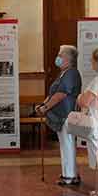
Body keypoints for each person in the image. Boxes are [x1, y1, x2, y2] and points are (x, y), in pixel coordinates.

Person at [36, 45, 82, 185]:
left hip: (66, 115)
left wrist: (46, 107)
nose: (58, 58)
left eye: (60, 55)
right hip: (61, 115)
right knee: (66, 144)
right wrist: (43, 105)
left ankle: (69, 176)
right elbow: (53, 94)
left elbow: (61, 94)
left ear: (68, 58)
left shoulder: (72, 73)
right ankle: (71, 174)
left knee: (67, 144)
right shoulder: (64, 73)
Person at [77, 48, 98, 196]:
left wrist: (79, 97)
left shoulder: (97, 81)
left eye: (93, 60)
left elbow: (85, 101)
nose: (91, 62)